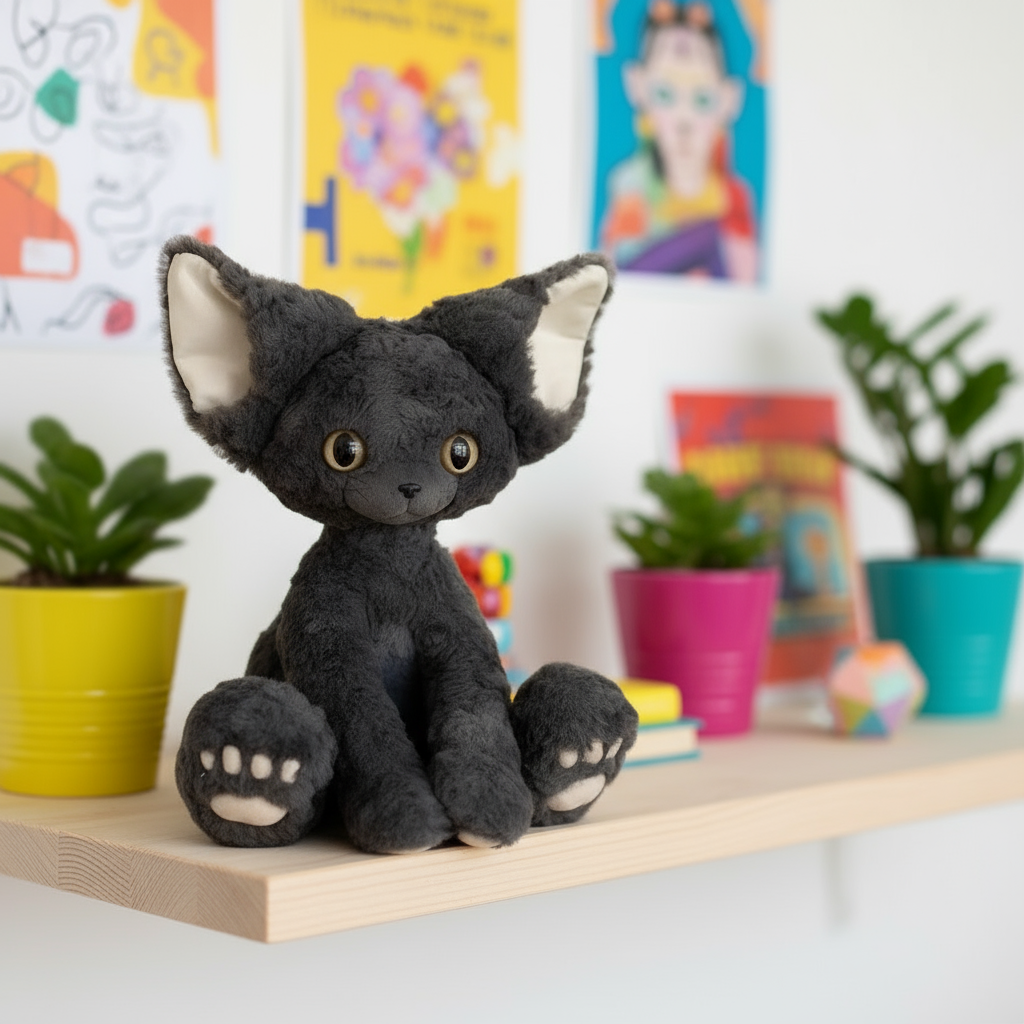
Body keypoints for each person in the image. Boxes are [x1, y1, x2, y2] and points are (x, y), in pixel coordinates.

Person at [600, 0, 757, 281]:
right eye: (665, 95)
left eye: (702, 99)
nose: (684, 121)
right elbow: (612, 272)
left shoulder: (734, 198)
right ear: (637, 86)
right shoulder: (630, 184)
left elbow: (745, 276)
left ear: (729, 99)